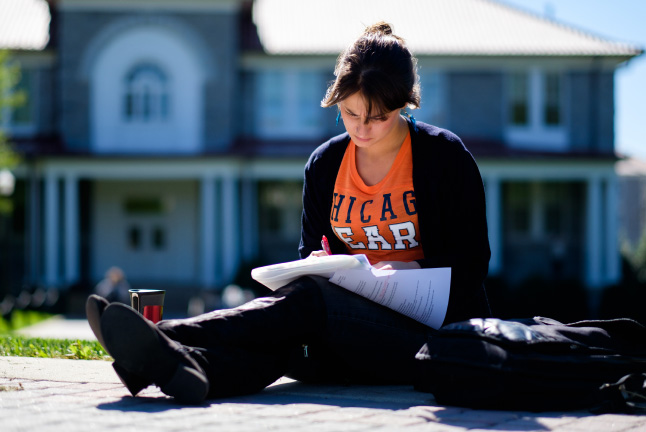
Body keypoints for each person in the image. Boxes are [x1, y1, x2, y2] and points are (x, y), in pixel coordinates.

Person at [86, 22, 491, 405]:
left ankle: (164, 336)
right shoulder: (325, 164)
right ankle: (182, 368)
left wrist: (405, 272)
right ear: (337, 100)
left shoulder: (444, 157)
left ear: (404, 103)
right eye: (350, 114)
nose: (363, 129)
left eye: (378, 117)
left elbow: (472, 267)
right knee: (285, 336)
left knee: (310, 303)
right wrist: (317, 264)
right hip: (341, 328)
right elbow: (312, 252)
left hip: (427, 338)